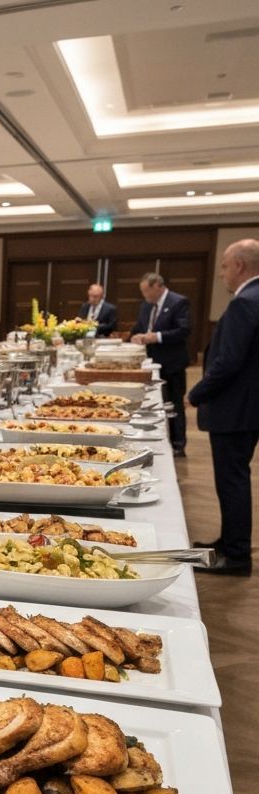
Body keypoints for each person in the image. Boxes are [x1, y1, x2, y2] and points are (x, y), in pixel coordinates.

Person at [187, 239, 259, 576]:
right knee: (233, 479)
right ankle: (228, 543)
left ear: (241, 266)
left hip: (236, 409)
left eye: (225, 266)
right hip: (246, 407)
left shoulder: (245, 301)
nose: (222, 274)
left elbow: (229, 361)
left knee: (232, 482)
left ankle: (237, 556)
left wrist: (197, 392)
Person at [130, 272, 192, 456]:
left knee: (174, 404)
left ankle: (178, 443)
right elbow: (140, 327)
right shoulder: (146, 306)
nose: (145, 296)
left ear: (158, 285)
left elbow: (184, 330)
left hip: (172, 362)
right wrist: (134, 336)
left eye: (147, 291)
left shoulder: (179, 302)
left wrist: (156, 337)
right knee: (154, 403)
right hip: (150, 363)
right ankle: (154, 440)